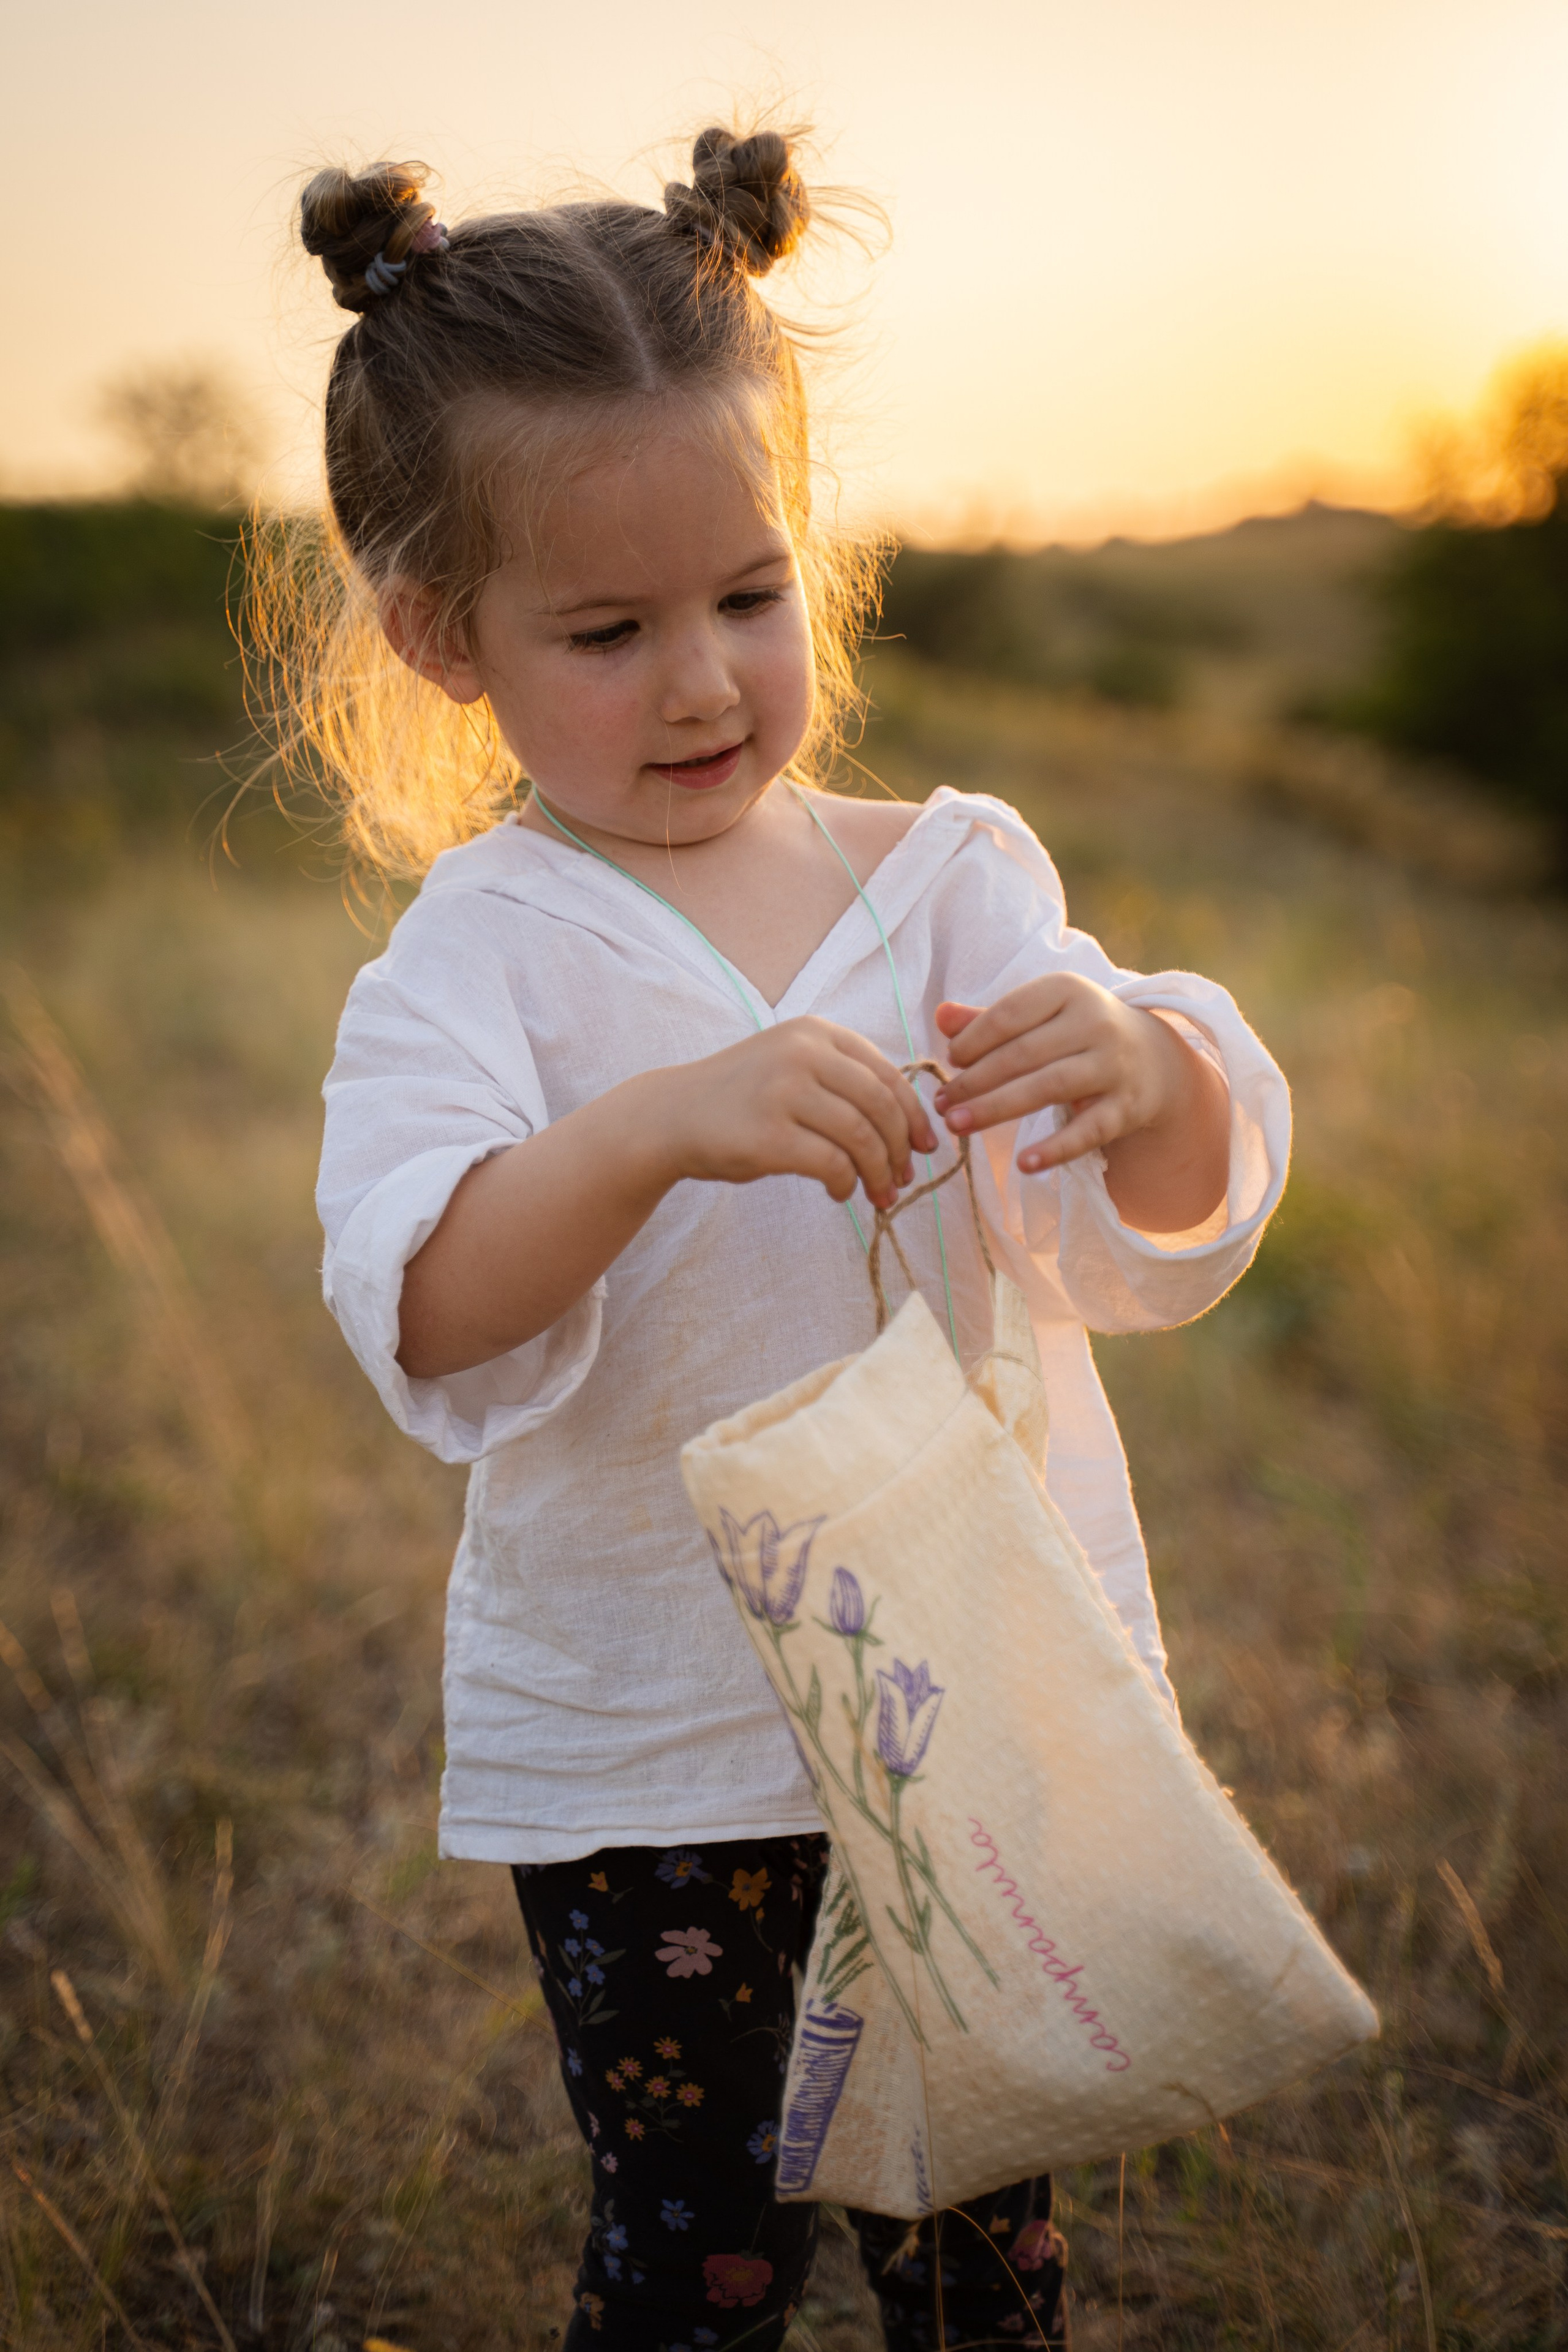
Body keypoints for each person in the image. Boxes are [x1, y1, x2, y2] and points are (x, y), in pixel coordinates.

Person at [298, 124, 1290, 2350]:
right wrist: (651, 1132)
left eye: (749, 596)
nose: (701, 686)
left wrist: (1150, 1071)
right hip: (654, 1749)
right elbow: (430, 1309)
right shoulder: (486, 957)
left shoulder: (949, 878)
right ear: (439, 637)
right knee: (694, 2252)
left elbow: (1137, 1233)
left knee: (987, 2252)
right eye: (610, 629)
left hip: (973, 1699)